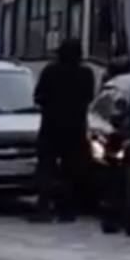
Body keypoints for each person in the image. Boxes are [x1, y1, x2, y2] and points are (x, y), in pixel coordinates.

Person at [33, 38, 96, 222]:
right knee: (71, 171)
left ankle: (43, 209)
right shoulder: (86, 73)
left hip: (51, 127)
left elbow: (39, 96)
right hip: (75, 128)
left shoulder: (50, 71)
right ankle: (67, 211)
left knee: (46, 169)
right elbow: (89, 97)